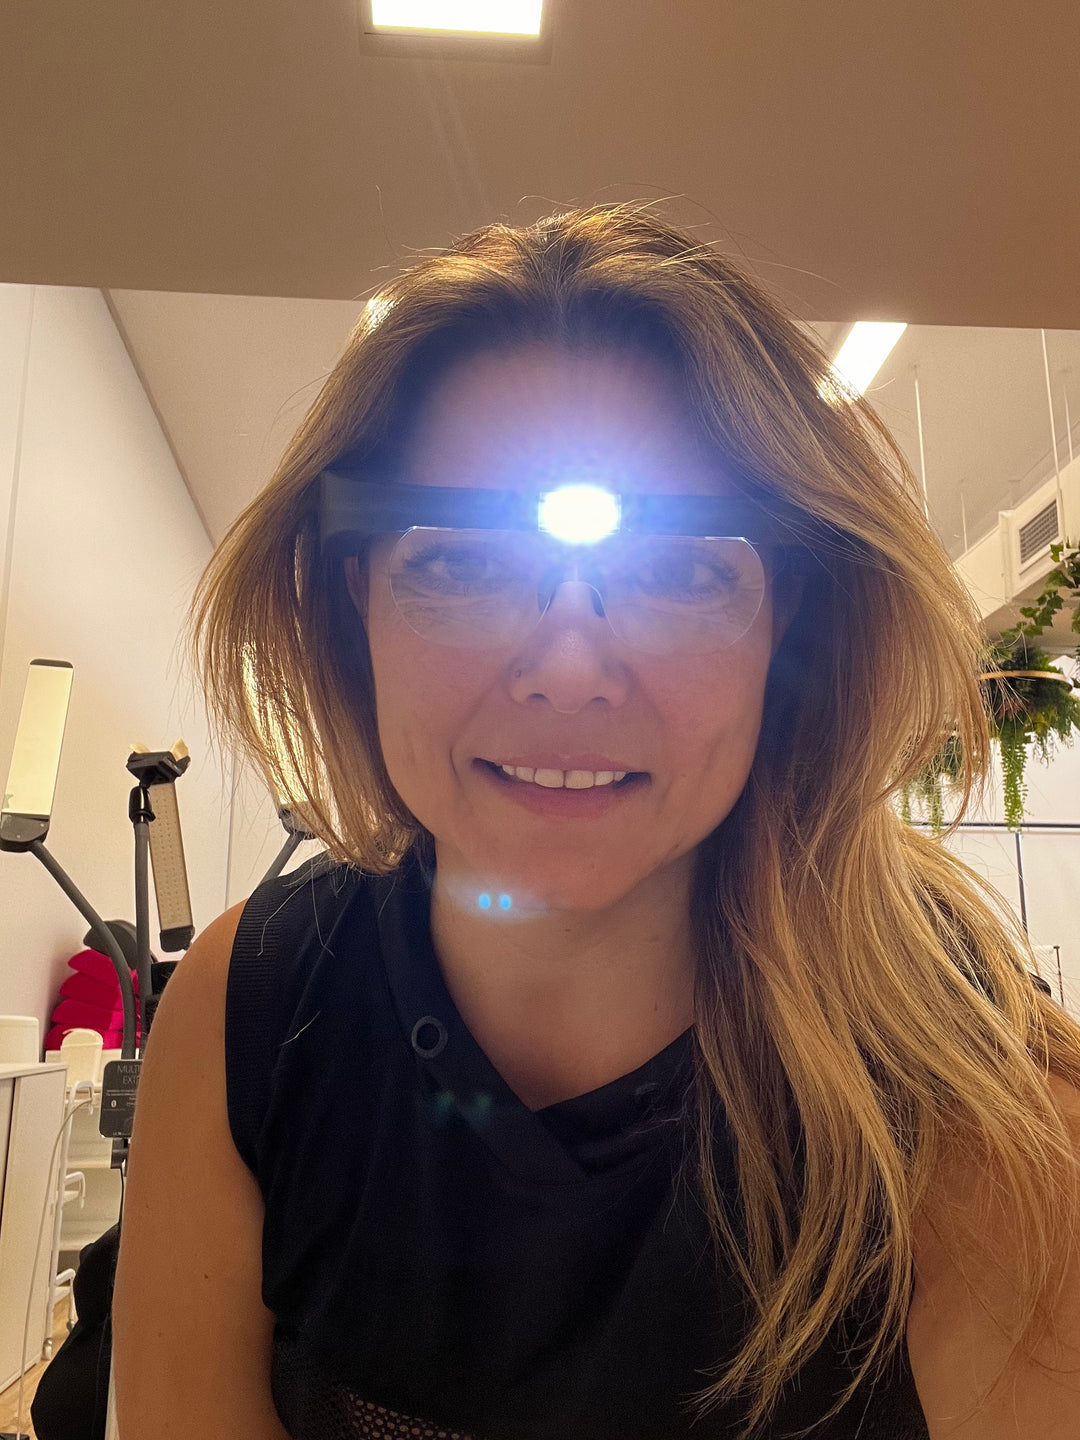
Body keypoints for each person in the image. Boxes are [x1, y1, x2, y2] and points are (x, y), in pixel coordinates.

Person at [111, 204, 1080, 1440]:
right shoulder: (250, 1010)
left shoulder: (987, 1117)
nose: (569, 671)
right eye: (463, 563)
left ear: (788, 621)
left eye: (678, 571)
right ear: (360, 601)